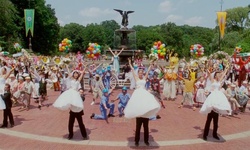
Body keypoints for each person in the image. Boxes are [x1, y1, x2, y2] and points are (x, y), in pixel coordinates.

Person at [124, 59, 160, 147]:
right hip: (138, 98)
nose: (141, 73)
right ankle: (136, 141)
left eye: (141, 72)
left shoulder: (144, 78)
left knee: (146, 127)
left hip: (144, 98)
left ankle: (146, 140)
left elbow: (148, 71)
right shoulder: (136, 78)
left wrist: (151, 65)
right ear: (138, 73)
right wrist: (129, 64)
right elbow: (132, 70)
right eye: (139, 72)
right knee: (138, 126)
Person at [200, 67, 232, 141]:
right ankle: (205, 134)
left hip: (218, 99)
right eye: (218, 74)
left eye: (219, 75)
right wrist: (207, 69)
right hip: (213, 98)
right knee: (209, 120)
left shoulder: (219, 81)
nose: (219, 75)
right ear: (215, 75)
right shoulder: (213, 80)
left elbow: (223, 74)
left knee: (216, 121)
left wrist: (226, 69)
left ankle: (215, 134)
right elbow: (209, 75)